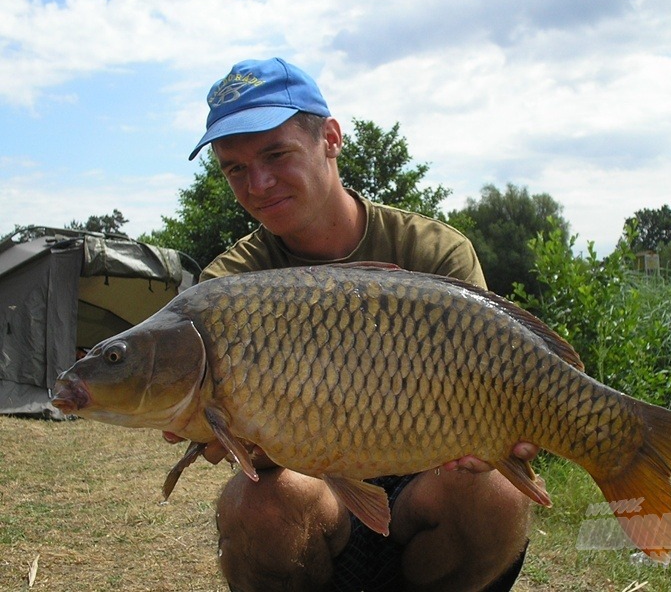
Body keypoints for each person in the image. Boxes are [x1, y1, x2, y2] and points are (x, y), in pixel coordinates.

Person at [181, 57, 538, 592]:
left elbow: (498, 375)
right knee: (257, 507)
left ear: (329, 138)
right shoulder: (227, 287)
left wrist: (512, 431)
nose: (257, 183)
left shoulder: (434, 252)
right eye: (235, 168)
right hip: (316, 500)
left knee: (496, 496)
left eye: (276, 154)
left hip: (429, 485)